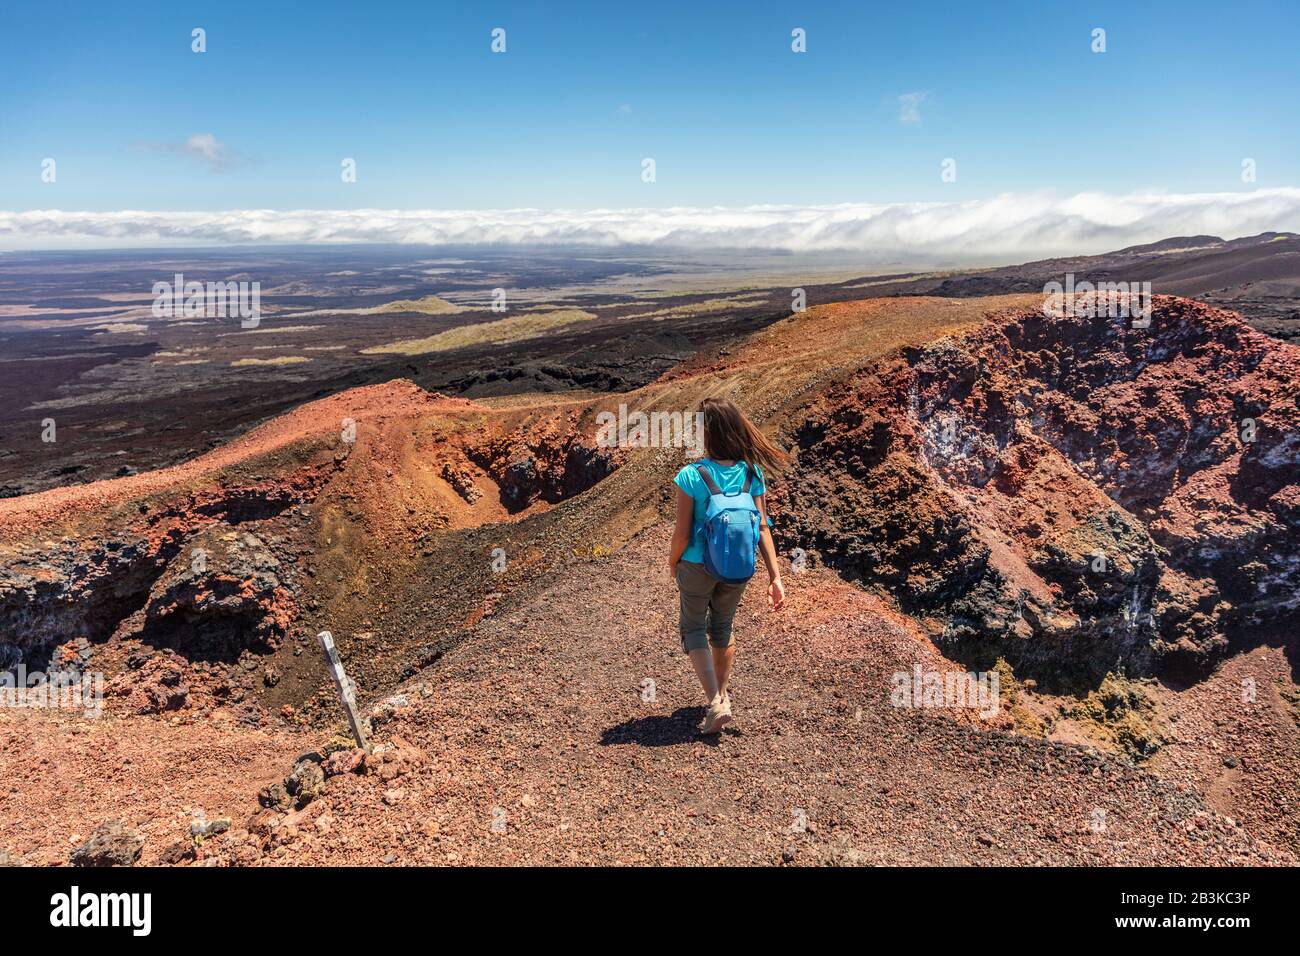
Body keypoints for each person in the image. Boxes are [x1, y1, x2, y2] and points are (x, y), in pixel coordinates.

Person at [668, 397, 788, 734]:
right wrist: (775, 577)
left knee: (693, 629)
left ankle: (717, 702)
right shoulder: (753, 473)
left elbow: (681, 533)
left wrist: (673, 561)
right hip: (738, 567)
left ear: (707, 432)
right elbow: (763, 527)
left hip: (696, 565)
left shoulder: (692, 476)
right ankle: (721, 694)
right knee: (722, 626)